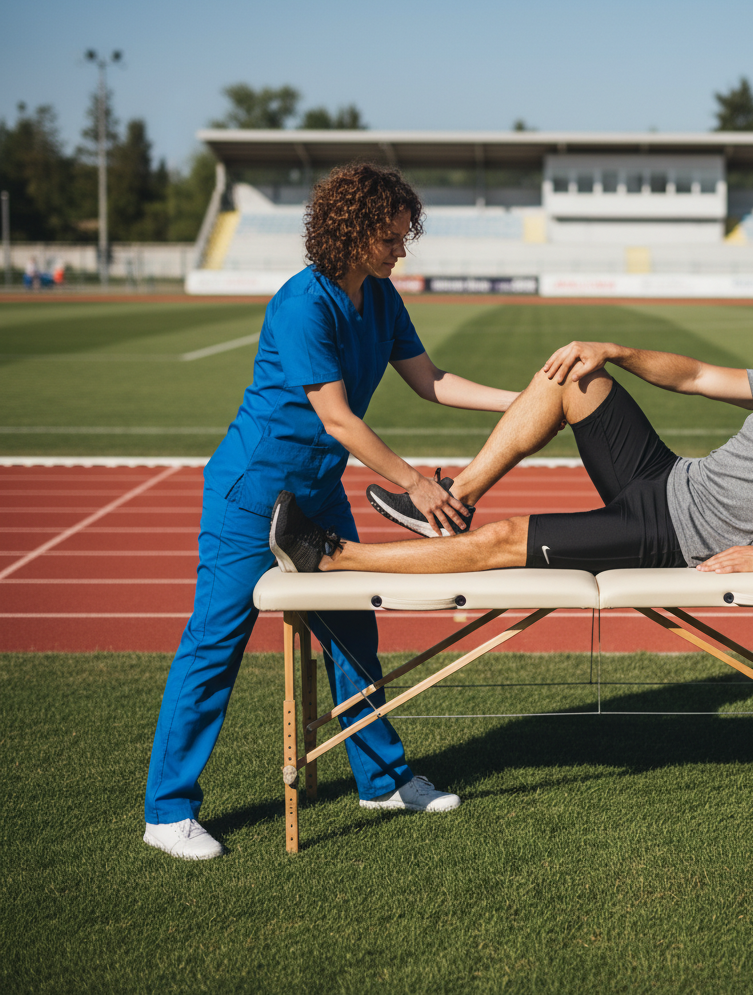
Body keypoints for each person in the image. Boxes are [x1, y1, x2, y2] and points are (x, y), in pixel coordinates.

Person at [144, 164, 519, 860]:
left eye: (406, 236)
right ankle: (167, 812)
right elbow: (339, 418)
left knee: (353, 635)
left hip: (318, 494)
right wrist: (414, 483)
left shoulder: (380, 297)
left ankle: (380, 778)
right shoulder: (301, 304)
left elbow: (430, 380)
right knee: (214, 645)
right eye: (392, 237)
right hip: (252, 492)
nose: (402, 250)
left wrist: (524, 405)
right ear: (353, 231)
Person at [271, 303, 753, 580]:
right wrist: (613, 350)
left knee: (501, 540)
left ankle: (328, 556)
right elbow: (697, 376)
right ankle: (453, 496)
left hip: (675, 539)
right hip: (665, 479)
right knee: (575, 370)